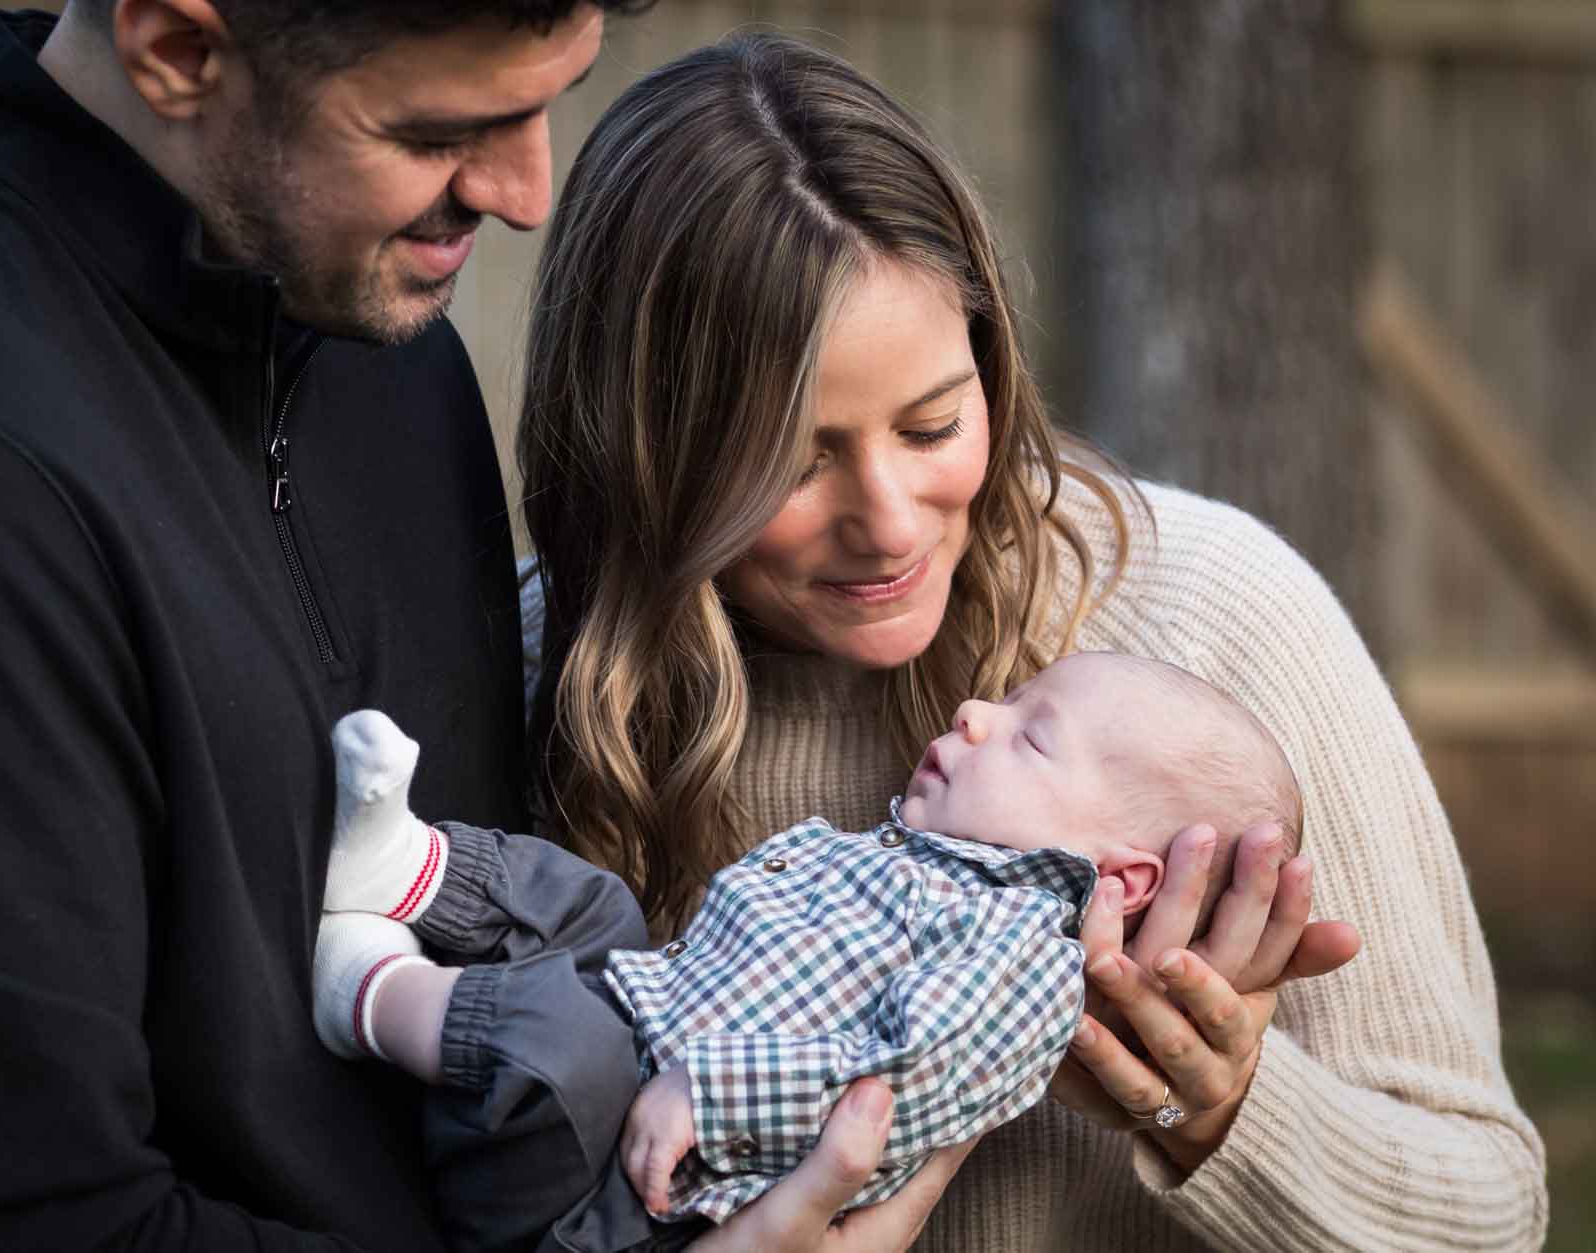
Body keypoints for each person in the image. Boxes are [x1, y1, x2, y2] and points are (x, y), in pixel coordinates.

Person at [0, 2, 700, 1248]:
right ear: (177, 48)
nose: (524, 191)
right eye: (442, 129)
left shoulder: (376, 348)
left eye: (547, 101)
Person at [515, 33, 1548, 1250]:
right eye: (791, 459)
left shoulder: (1209, 615)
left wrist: (1222, 1110)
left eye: (933, 421)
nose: (890, 523)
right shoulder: (535, 675)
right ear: (647, 455)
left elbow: (1490, 1211)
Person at [311, 650, 1304, 1253]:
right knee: (594, 905)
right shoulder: (913, 855)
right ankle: (403, 868)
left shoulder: (1021, 963)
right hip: (642, 1040)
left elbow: (896, 1076)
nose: (973, 714)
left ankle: (364, 988)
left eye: (1029, 738)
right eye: (1007, 699)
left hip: (624, 1196)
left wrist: (713, 1093)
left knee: (560, 1037)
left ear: (1119, 880)